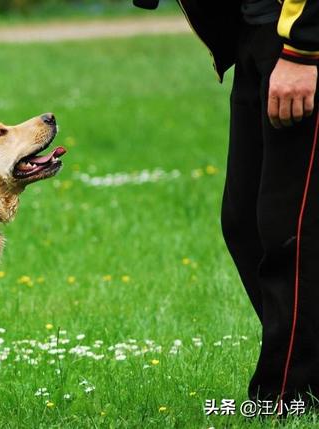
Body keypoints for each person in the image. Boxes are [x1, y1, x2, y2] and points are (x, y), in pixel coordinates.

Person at [137, 0, 319, 413]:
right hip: (255, 31)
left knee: (292, 234)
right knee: (244, 225)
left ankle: (288, 396)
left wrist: (306, 48)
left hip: (298, 44)